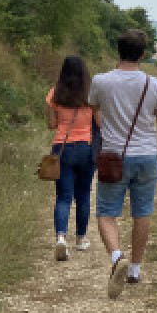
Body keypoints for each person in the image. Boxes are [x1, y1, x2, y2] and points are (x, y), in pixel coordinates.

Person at [89, 29, 157, 298]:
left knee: (106, 213)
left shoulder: (101, 81)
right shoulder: (154, 84)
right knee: (143, 212)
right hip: (147, 155)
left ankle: (117, 257)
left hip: (114, 156)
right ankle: (135, 269)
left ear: (118, 50)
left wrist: (106, 129)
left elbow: (94, 108)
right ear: (143, 54)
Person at [45, 55, 96, 261]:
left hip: (62, 148)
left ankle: (60, 237)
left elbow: (50, 124)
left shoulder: (54, 93)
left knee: (64, 196)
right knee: (83, 195)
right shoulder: (90, 94)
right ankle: (81, 238)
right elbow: (100, 121)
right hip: (86, 147)